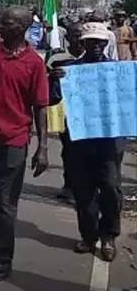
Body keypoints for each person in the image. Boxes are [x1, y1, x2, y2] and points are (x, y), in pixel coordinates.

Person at [0, 5, 49, 281]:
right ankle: (4, 225)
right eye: (1, 22)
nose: (1, 27)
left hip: (15, 140)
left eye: (9, 23)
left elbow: (40, 106)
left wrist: (43, 147)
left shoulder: (34, 63)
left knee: (5, 201)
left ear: (24, 27)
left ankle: (3, 258)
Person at [50, 22, 125, 261]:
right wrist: (54, 80)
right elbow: (52, 102)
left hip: (109, 144)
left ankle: (109, 235)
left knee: (111, 188)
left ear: (106, 44)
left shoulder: (117, 70)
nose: (95, 46)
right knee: (84, 194)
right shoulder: (69, 70)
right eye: (90, 41)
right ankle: (89, 235)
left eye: (100, 42)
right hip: (79, 143)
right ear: (82, 44)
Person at [47, 21, 85, 204]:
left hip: (88, 113)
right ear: (67, 38)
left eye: (81, 35)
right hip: (64, 110)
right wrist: (52, 77)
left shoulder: (94, 58)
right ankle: (69, 184)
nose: (78, 39)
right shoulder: (56, 59)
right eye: (74, 35)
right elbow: (44, 83)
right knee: (69, 149)